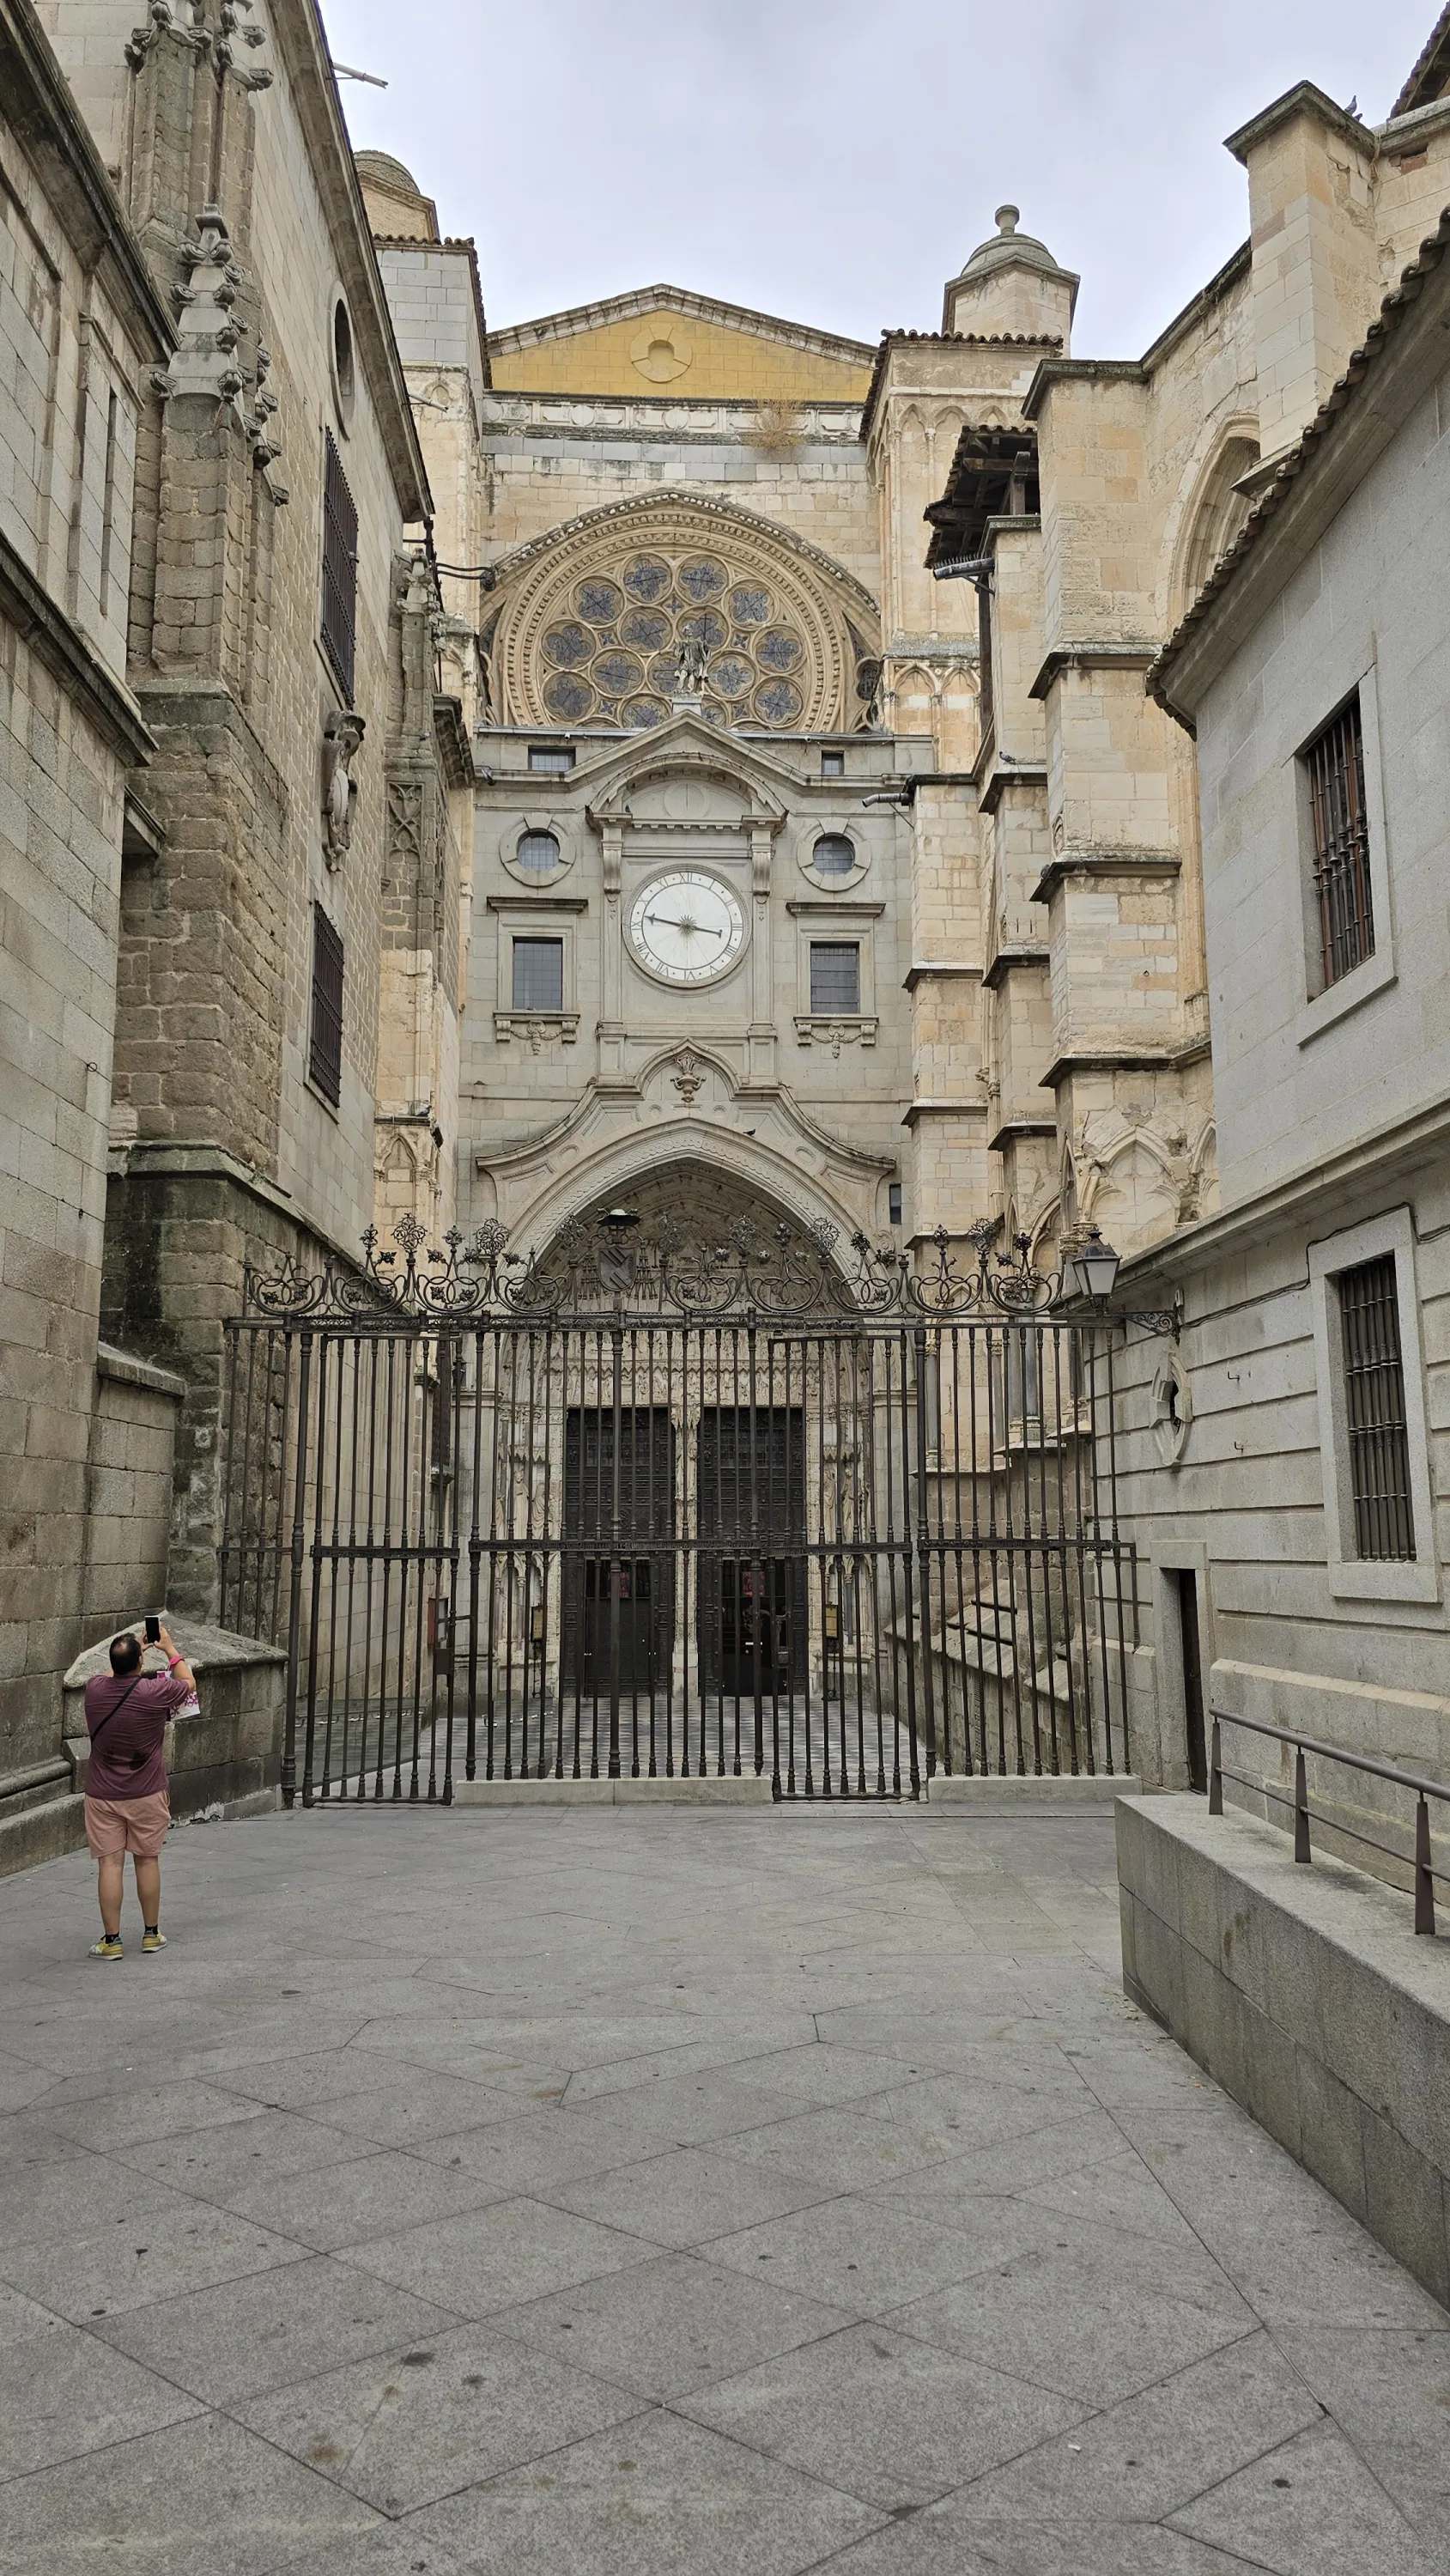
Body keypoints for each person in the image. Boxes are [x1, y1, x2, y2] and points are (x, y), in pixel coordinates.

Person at [82, 1623, 194, 1960]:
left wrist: (134, 1654)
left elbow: (110, 1676)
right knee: (147, 1861)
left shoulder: (94, 1690)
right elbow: (188, 1683)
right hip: (146, 1791)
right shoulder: (154, 1692)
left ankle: (112, 1941)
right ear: (140, 1664)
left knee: (109, 1864)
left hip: (103, 1795)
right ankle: (151, 1934)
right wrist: (168, 1647)